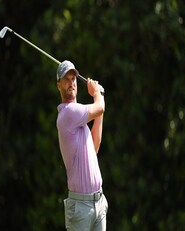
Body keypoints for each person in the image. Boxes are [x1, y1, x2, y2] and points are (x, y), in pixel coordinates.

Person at [56, 60, 108, 231]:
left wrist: (98, 98)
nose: (71, 83)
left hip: (98, 202)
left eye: (73, 79)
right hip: (80, 207)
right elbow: (99, 107)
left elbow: (94, 147)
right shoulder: (68, 113)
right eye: (66, 79)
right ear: (59, 85)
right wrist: (96, 93)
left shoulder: (80, 120)